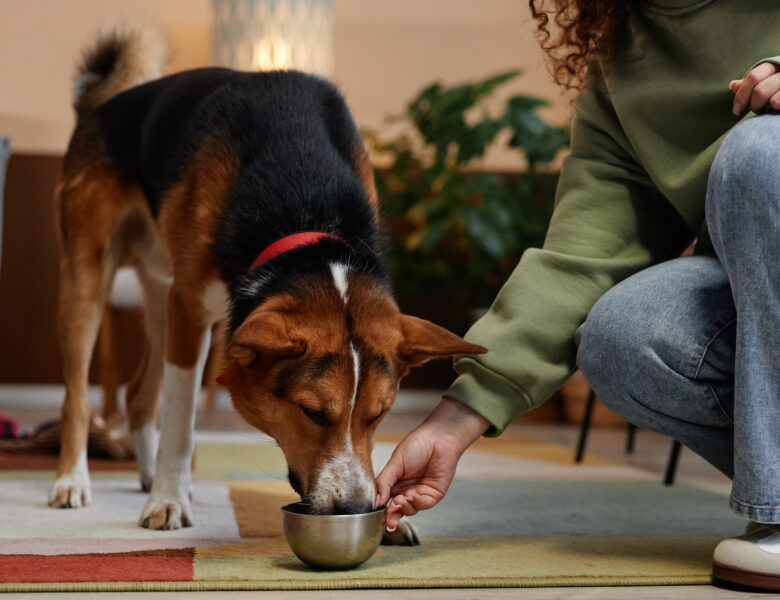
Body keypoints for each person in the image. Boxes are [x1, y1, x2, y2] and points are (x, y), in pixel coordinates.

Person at [376, 0, 780, 590]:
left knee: (761, 155)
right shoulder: (626, 53)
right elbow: (585, 254)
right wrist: (450, 424)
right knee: (625, 338)